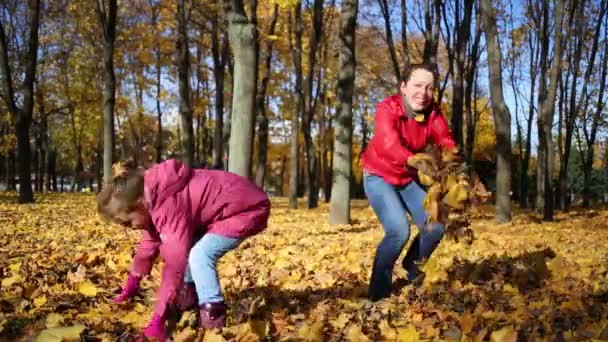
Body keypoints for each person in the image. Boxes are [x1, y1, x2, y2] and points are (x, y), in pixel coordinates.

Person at [97, 159, 271, 340]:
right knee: (190, 248)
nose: (131, 228)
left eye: (128, 222)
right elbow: (147, 248)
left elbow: (174, 265)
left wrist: (158, 319)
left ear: (139, 204)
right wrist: (131, 287)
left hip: (247, 210)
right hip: (225, 210)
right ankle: (187, 303)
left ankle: (213, 317)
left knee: (199, 255)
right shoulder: (153, 198)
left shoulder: (168, 205)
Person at [360, 63, 458, 301]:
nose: (423, 93)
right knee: (398, 231)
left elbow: (445, 141)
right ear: (403, 87)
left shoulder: (432, 112)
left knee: (436, 224)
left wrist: (458, 168)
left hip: (406, 177)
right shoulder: (387, 108)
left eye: (429, 88)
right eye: (417, 85)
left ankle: (412, 270)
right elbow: (388, 143)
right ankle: (378, 296)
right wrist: (416, 161)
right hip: (379, 175)